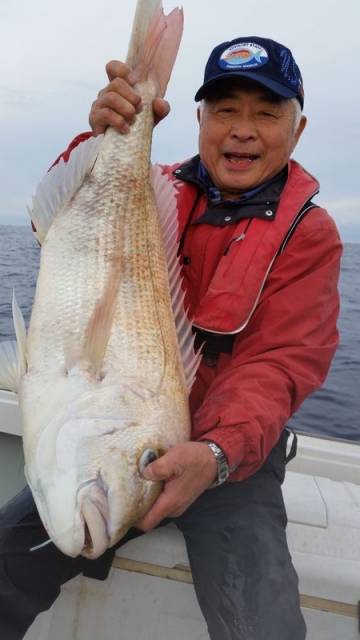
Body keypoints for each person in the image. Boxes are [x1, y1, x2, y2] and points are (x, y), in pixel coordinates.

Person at [0, 37, 342, 640]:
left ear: (299, 126)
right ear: (199, 119)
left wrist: (214, 455)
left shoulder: (309, 236)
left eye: (266, 113)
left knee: (263, 623)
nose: (242, 130)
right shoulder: (157, 185)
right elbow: (56, 223)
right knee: (5, 555)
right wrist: (103, 130)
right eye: (225, 110)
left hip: (231, 462)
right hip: (123, 449)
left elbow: (279, 365)